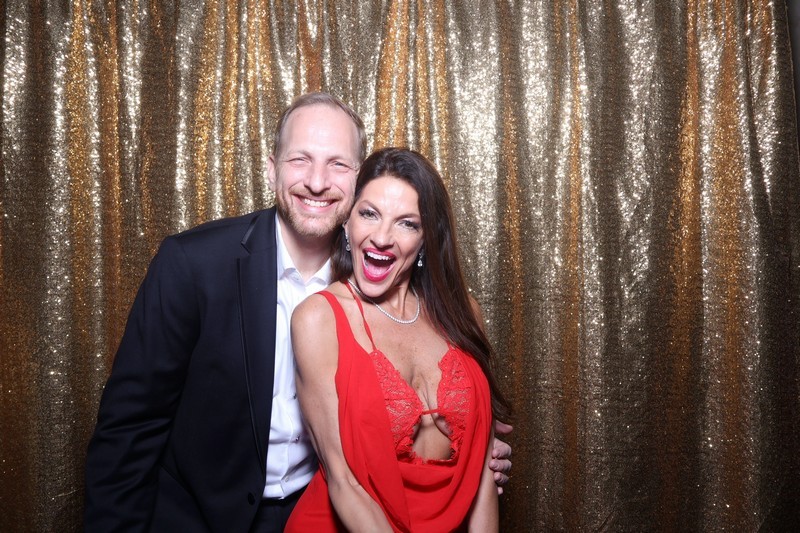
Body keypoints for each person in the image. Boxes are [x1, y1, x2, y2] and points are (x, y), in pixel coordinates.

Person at [84, 93, 512, 533]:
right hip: (200, 520)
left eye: (338, 165)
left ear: (359, 180)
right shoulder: (193, 264)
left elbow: (407, 416)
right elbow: (130, 429)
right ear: (272, 168)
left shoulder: (378, 277)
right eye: (300, 160)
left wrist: (465, 444)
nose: (317, 182)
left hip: (324, 516)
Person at [286, 147, 512, 532]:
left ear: (426, 239)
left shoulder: (463, 314)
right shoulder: (318, 319)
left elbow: (483, 473)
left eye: (407, 223)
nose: (382, 237)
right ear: (347, 223)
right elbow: (345, 481)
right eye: (369, 214)